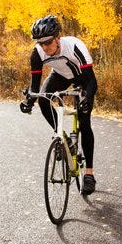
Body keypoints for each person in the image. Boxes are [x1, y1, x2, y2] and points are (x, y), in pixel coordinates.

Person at [19, 15, 99, 195]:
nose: (45, 47)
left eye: (48, 42)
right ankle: (62, 139)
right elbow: (35, 88)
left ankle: (89, 174)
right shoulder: (37, 53)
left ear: (58, 38)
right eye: (41, 43)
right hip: (60, 76)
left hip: (82, 78)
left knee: (85, 122)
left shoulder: (74, 47)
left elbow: (91, 81)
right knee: (43, 100)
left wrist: (87, 97)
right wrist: (28, 101)